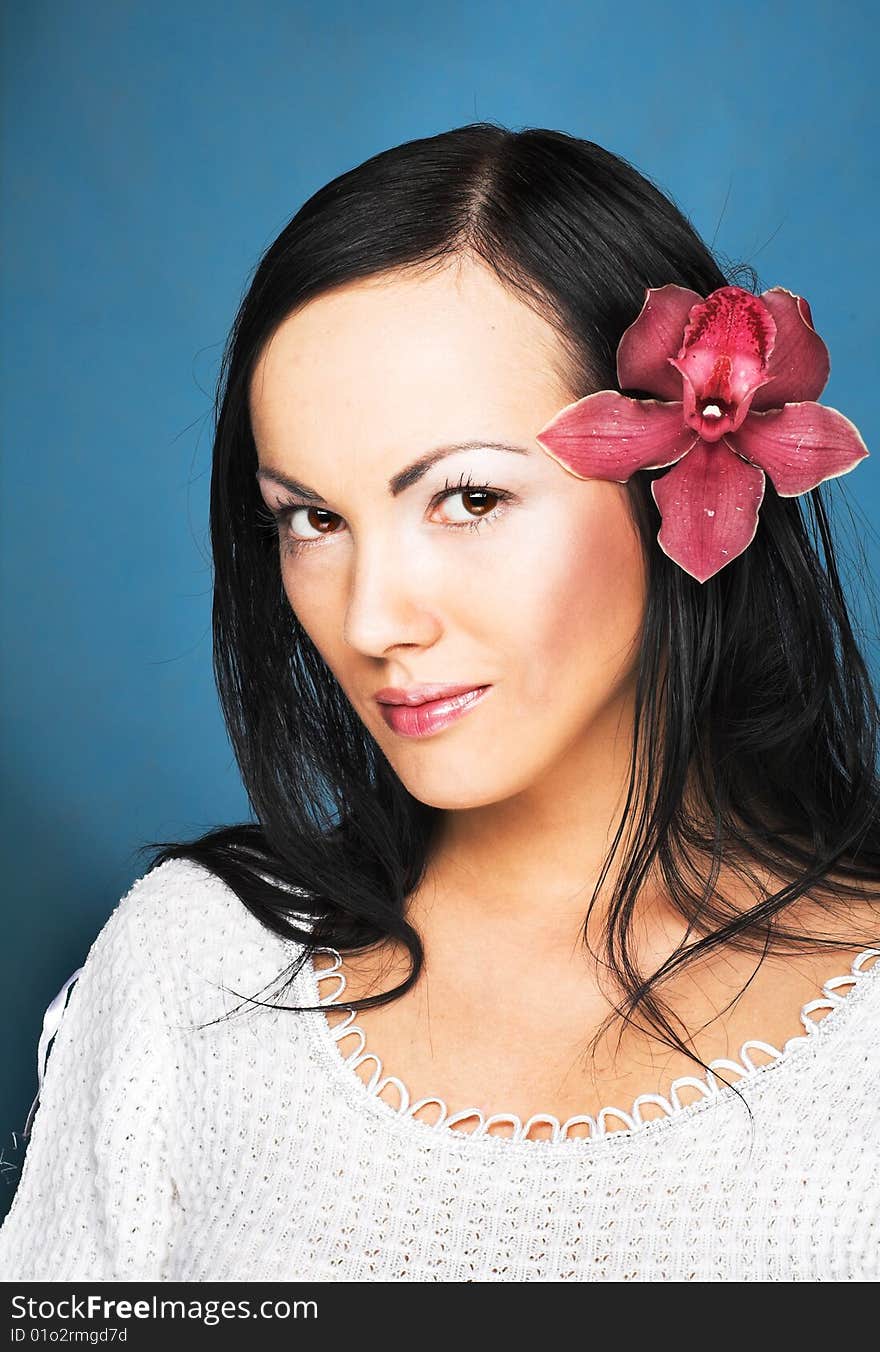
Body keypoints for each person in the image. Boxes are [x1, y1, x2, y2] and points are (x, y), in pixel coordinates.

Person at [1, 122, 879, 1283]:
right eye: (309, 518)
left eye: (467, 496)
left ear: (675, 486)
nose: (370, 620)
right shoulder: (197, 968)